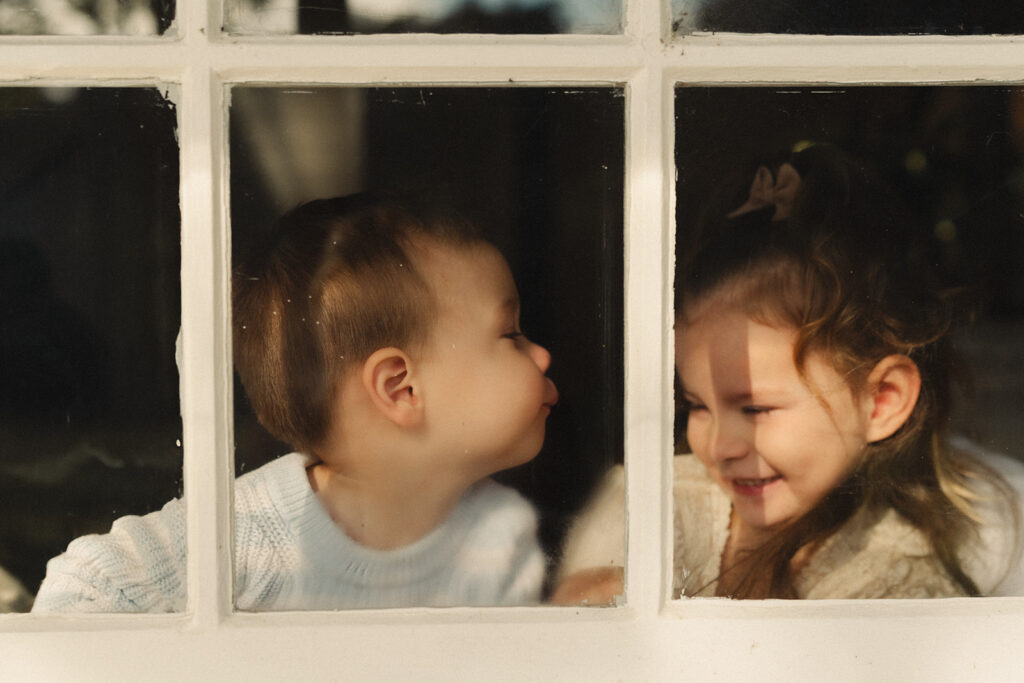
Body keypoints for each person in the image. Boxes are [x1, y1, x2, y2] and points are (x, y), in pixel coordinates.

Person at [33, 193, 557, 612]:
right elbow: (90, 584)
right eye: (510, 334)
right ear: (401, 387)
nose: (542, 355)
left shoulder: (504, 534)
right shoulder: (245, 541)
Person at [554, 144, 1020, 603]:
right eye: (696, 405)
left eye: (755, 408)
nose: (717, 445)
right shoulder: (651, 506)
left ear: (882, 400)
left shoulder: (896, 584)